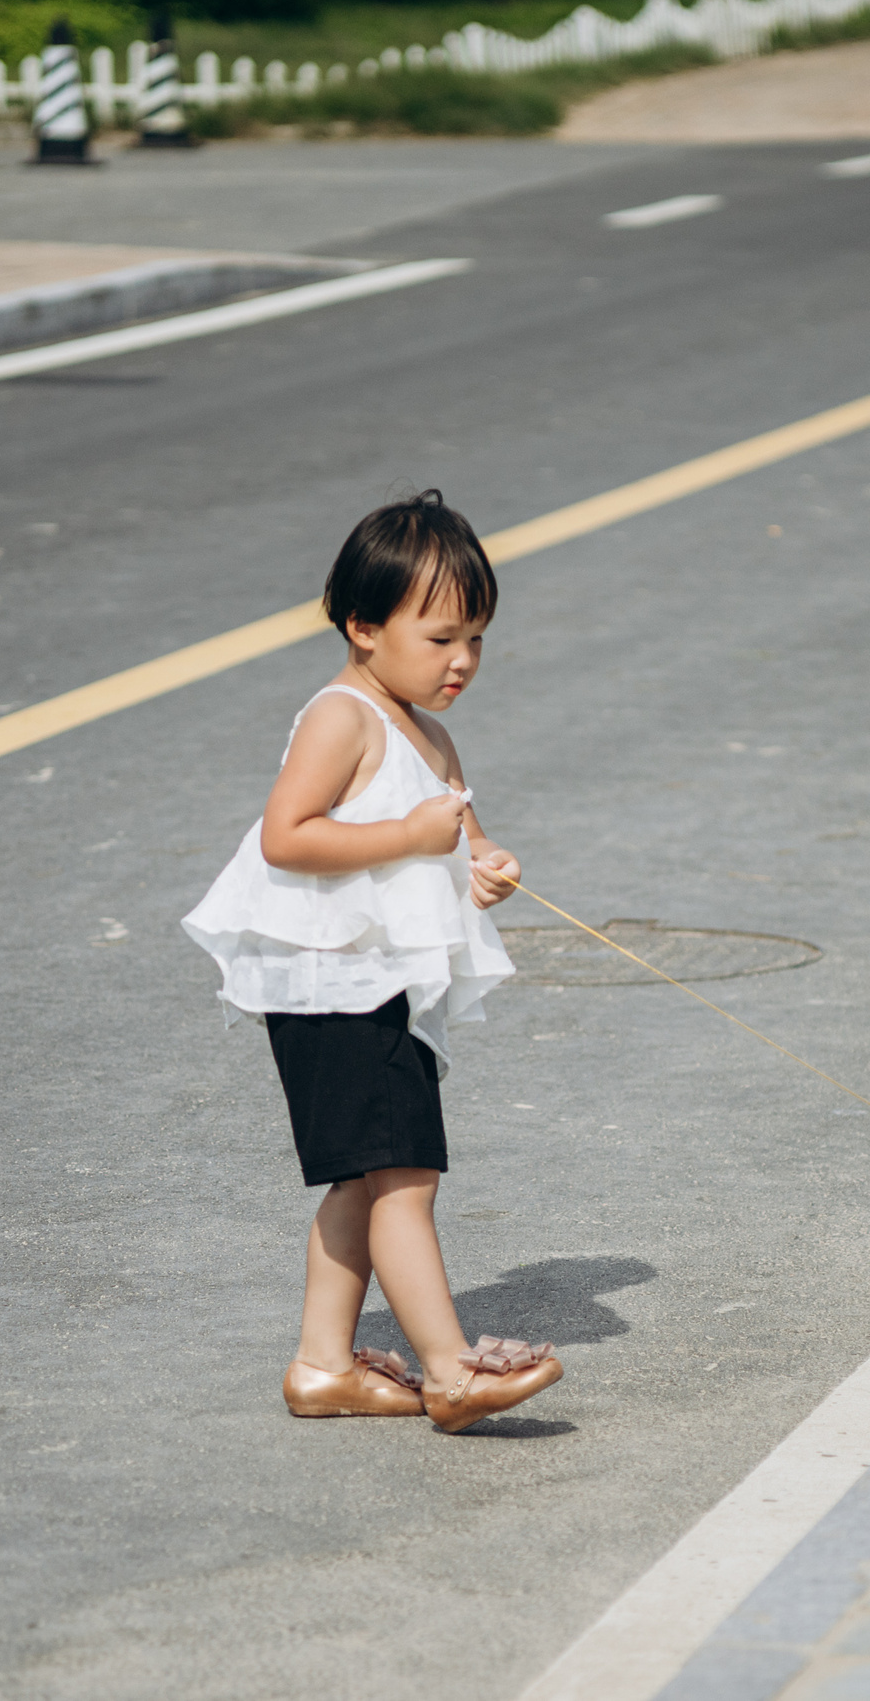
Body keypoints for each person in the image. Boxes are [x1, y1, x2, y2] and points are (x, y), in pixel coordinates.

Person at [182, 491, 559, 1434]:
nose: (461, 660)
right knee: (403, 1173)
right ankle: (450, 1371)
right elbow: (286, 836)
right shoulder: (341, 718)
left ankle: (322, 1364)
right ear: (362, 627)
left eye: (475, 637)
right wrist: (404, 832)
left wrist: (489, 867)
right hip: (332, 978)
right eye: (438, 639)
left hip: (378, 982)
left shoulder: (430, 732)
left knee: (364, 1174)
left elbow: (461, 845)